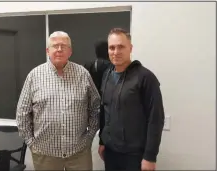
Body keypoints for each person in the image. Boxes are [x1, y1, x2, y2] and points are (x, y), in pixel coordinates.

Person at [16, 31, 100, 170]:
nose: (59, 49)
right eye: (55, 46)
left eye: (64, 46)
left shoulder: (83, 74)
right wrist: (31, 143)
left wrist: (89, 137)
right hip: (45, 155)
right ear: (48, 51)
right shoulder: (34, 76)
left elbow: (96, 108)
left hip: (79, 154)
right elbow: (22, 113)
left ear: (70, 51)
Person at [98, 28, 165, 171]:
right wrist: (102, 141)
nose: (116, 52)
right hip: (110, 153)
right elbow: (104, 111)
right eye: (112, 48)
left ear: (130, 48)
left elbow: (156, 119)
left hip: (135, 156)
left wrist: (150, 156)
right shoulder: (106, 75)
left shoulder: (145, 78)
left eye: (121, 47)